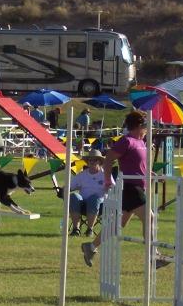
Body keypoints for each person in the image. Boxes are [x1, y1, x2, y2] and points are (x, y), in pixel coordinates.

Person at [81, 110, 170, 269]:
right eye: (146, 126)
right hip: (130, 187)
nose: (147, 130)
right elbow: (108, 159)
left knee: (118, 224)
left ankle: (91, 247)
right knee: (149, 218)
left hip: (138, 186)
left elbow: (138, 167)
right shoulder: (126, 141)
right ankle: (154, 255)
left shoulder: (142, 143)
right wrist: (108, 180)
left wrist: (151, 174)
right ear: (139, 126)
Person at [68, 149, 113, 237]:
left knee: (94, 198)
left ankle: (90, 229)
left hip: (101, 205)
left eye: (94, 160)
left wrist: (108, 187)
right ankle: (75, 229)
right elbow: (70, 187)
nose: (91, 162)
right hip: (82, 204)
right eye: (90, 160)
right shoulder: (82, 175)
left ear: (99, 161)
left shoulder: (106, 174)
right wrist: (62, 190)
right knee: (74, 196)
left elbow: (114, 188)